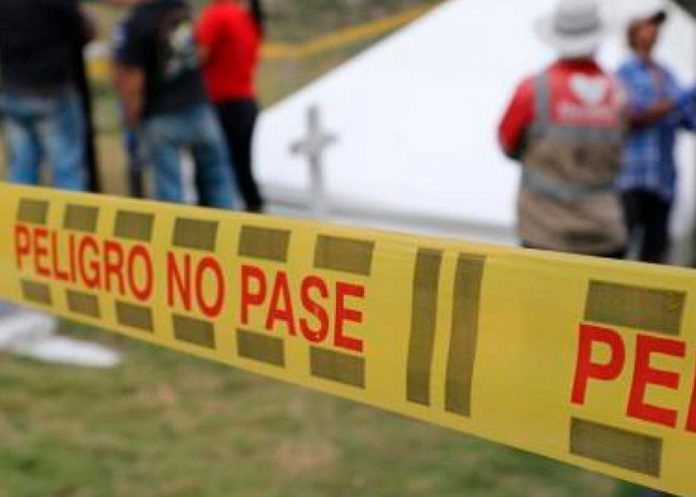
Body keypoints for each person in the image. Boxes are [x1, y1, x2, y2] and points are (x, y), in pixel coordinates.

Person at [0, 0, 119, 368]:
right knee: (68, 174)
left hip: (13, 88)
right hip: (52, 89)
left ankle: (20, 253)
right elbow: (88, 30)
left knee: (22, 176)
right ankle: (75, 256)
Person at [498, 0, 628, 258]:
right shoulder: (618, 93)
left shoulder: (533, 90)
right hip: (603, 233)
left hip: (543, 231)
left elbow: (507, 143)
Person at [112, 0, 239, 208]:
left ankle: (173, 240)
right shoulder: (180, 10)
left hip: (161, 114)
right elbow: (197, 52)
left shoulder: (137, 22)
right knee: (219, 182)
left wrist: (132, 117)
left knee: (171, 194)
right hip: (198, 105)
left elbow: (134, 80)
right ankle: (231, 233)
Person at [616, 0, 696, 264]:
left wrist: (687, 103)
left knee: (654, 260)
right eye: (648, 24)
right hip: (631, 178)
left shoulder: (668, 75)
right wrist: (683, 96)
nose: (654, 30)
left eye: (656, 25)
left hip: (663, 183)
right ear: (633, 32)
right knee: (618, 253)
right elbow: (634, 117)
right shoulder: (623, 74)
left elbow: (687, 121)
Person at [196, 0, 266, 213]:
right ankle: (256, 212)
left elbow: (199, 55)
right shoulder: (245, 16)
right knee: (242, 166)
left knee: (212, 171)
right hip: (246, 101)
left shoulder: (216, 15)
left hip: (222, 103)